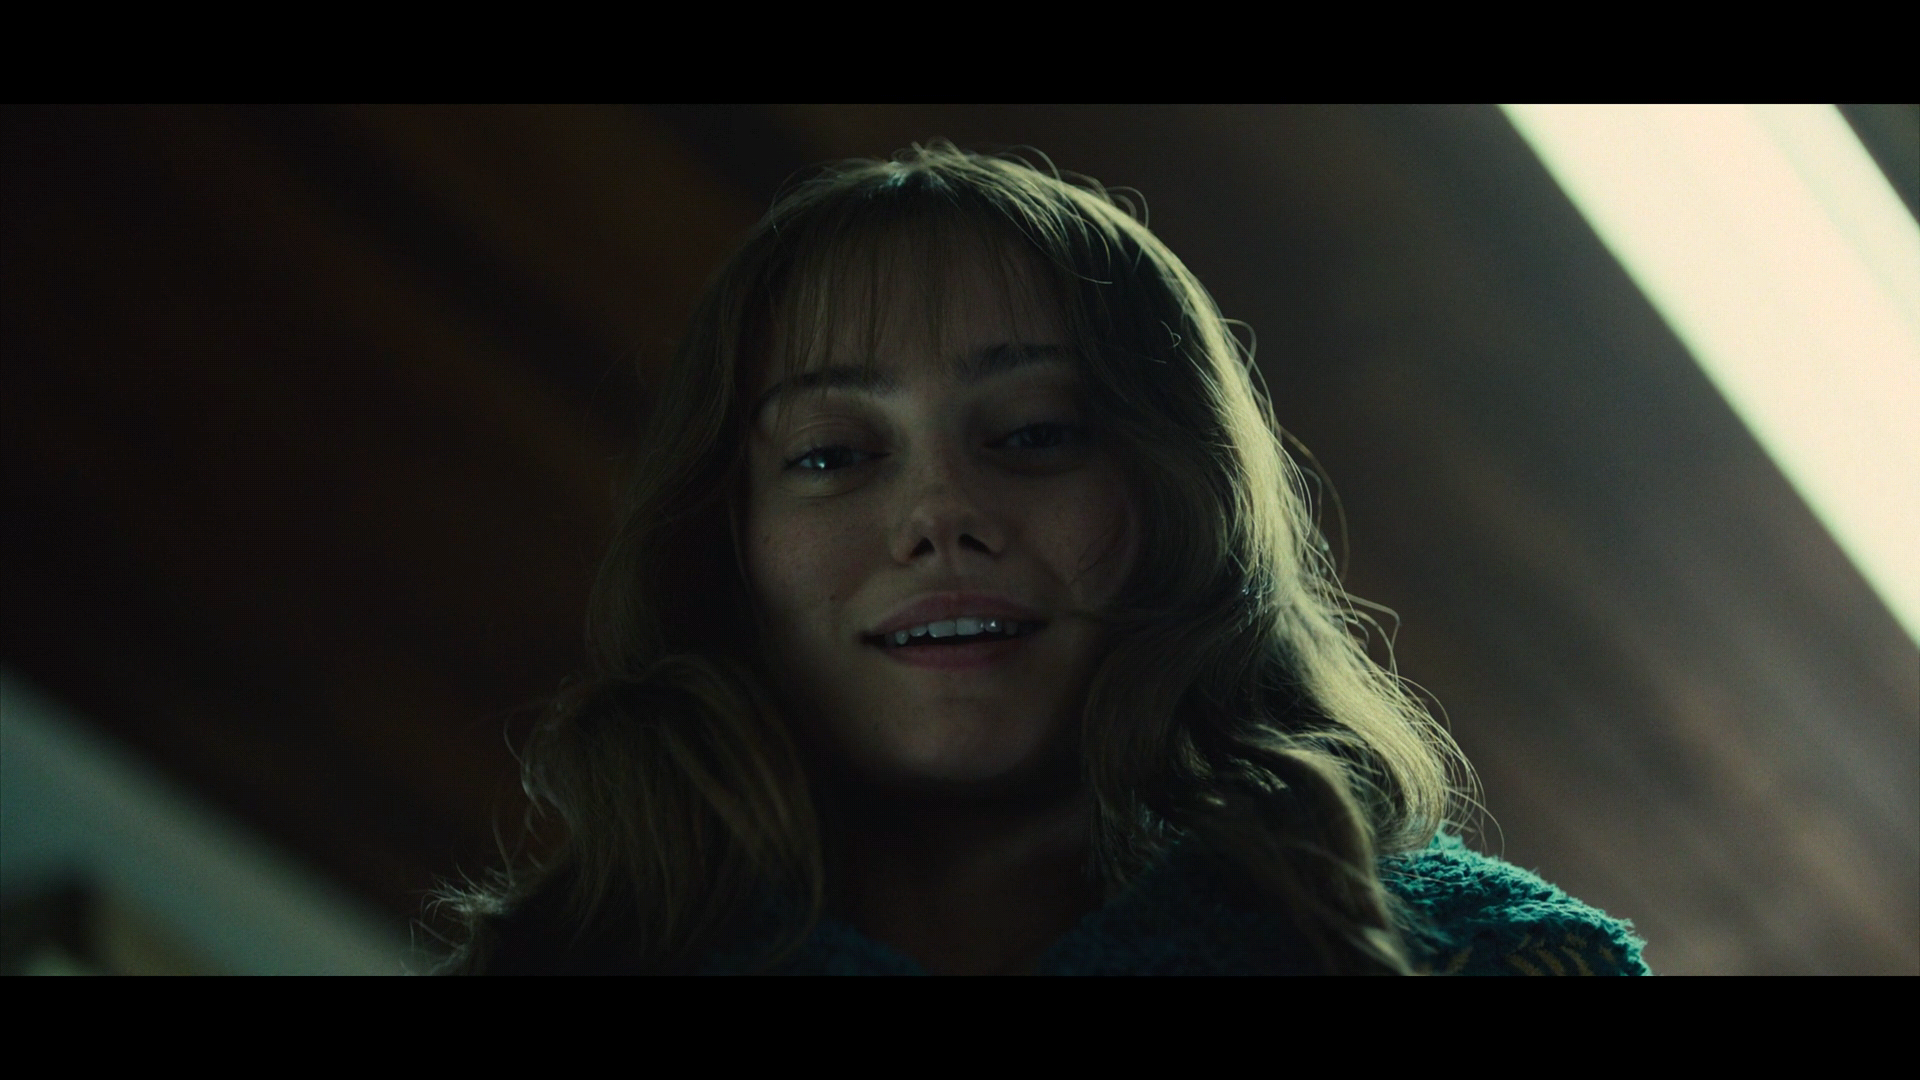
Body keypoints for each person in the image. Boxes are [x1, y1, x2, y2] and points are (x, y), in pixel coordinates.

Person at [438, 144, 1648, 975]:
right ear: (724, 539)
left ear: (1178, 500)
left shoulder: (1493, 963)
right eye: (833, 454)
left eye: (1032, 435)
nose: (940, 515)